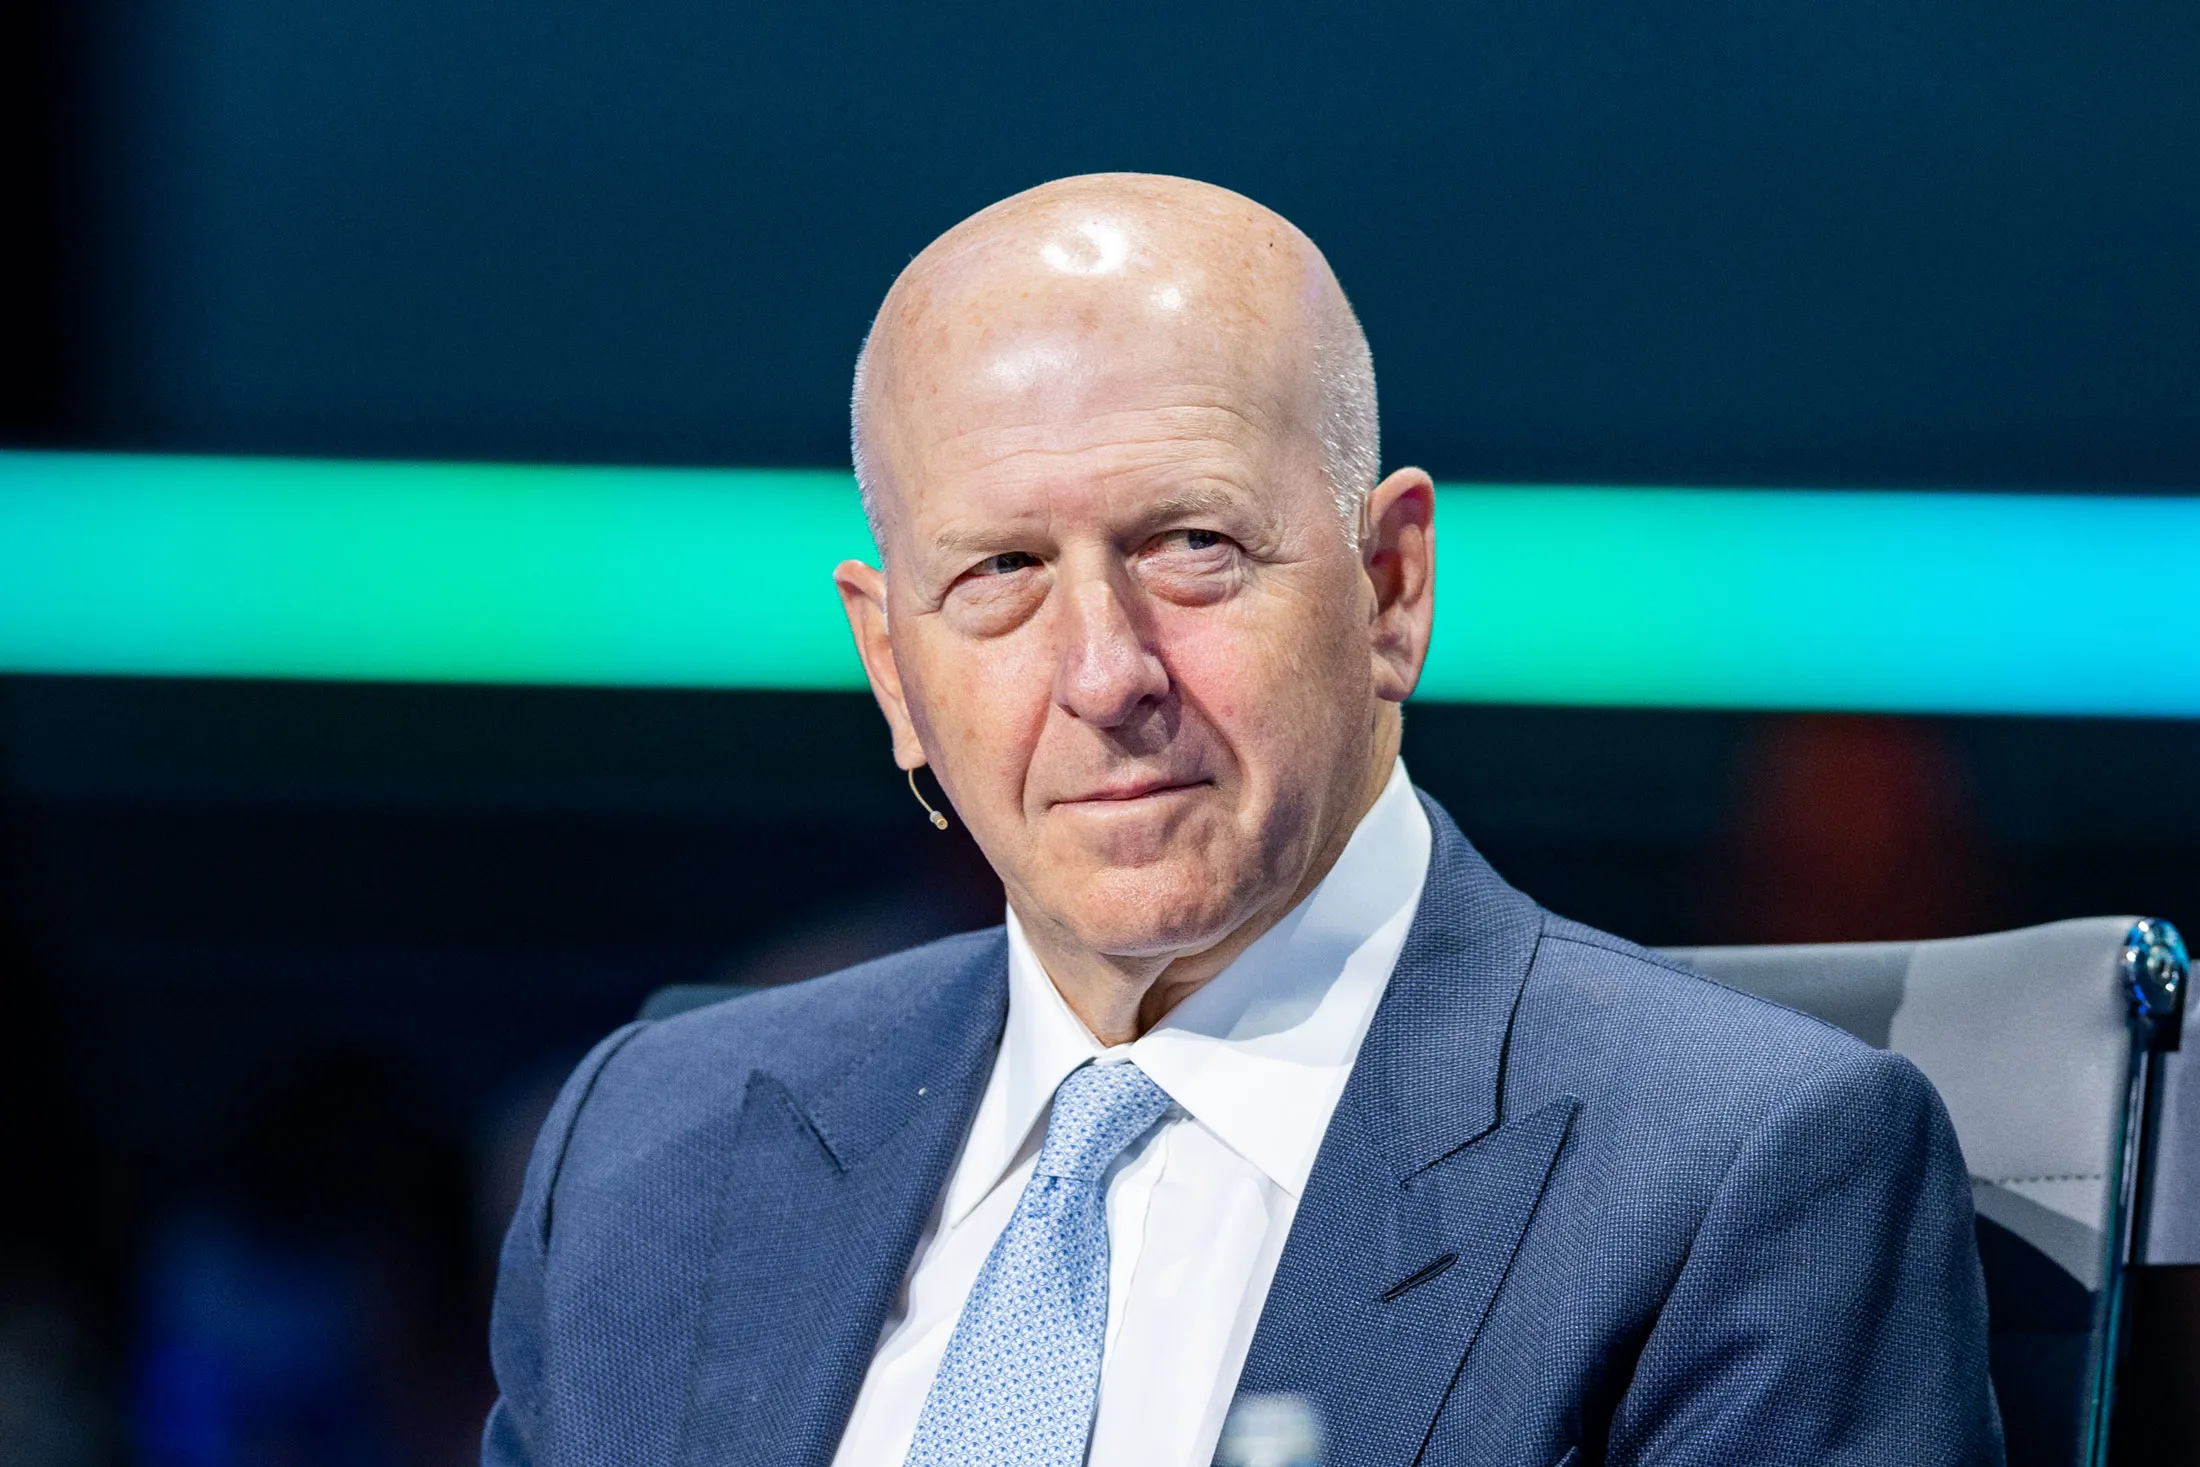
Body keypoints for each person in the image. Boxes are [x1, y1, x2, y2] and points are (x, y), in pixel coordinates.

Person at [482, 175, 2001, 1467]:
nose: (1104, 675)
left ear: (1390, 588)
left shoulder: (1744, 1173)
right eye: (1000, 572)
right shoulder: (652, 1154)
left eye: (1192, 544)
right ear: (893, 668)